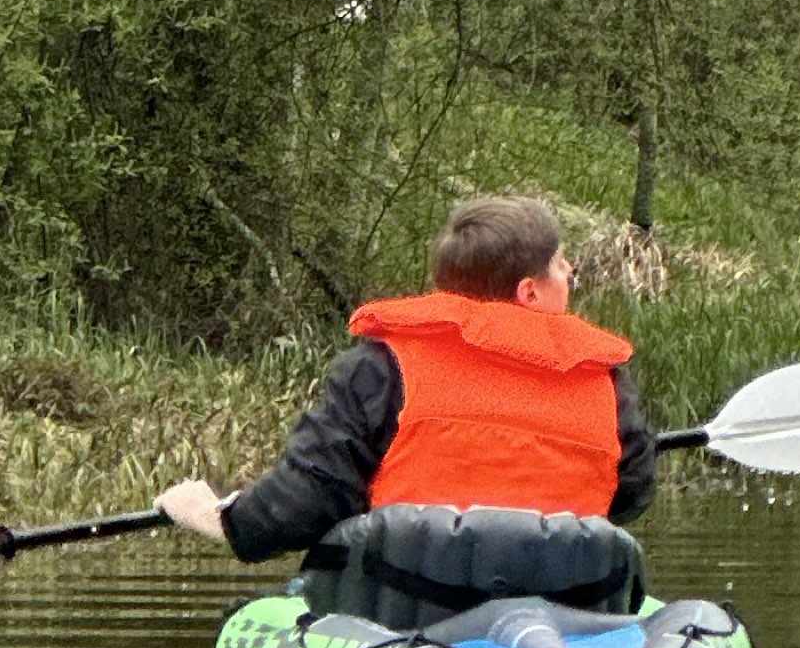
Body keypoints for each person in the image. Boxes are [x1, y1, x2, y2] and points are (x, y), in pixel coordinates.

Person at [160, 194, 657, 564]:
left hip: (409, 608)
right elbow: (631, 491)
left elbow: (307, 502)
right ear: (529, 292)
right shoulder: (603, 380)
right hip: (565, 607)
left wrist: (223, 518)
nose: (569, 273)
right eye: (560, 265)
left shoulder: (380, 366)